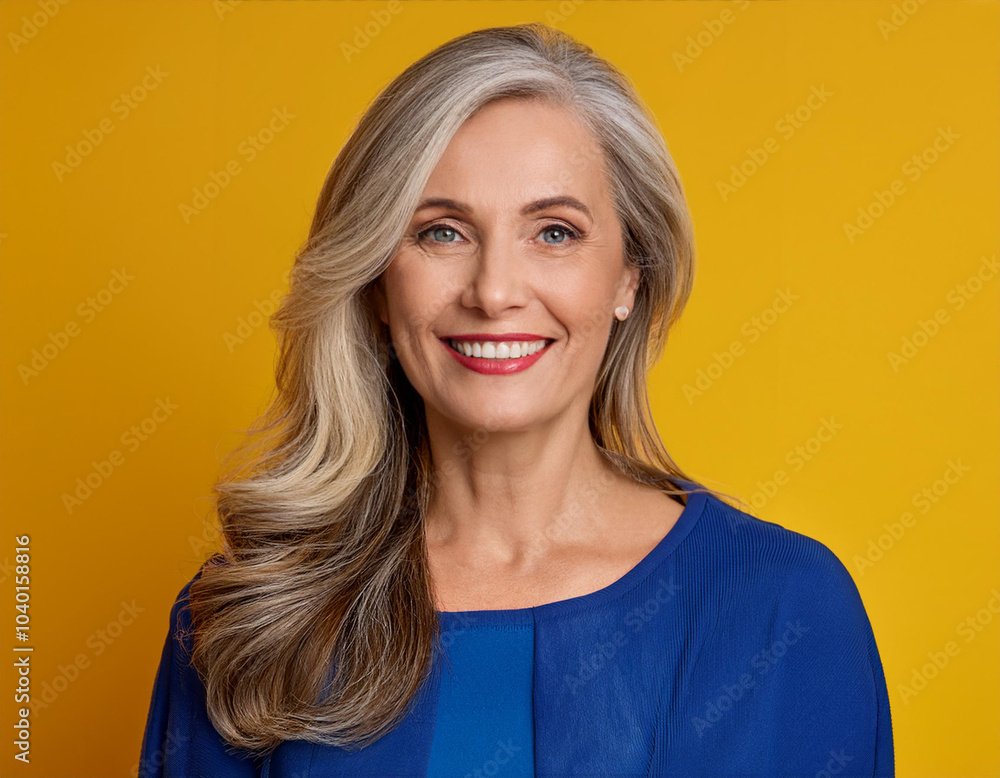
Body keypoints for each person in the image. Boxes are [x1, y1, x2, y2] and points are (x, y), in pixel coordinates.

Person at [138, 22, 894, 778]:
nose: (494, 291)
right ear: (375, 279)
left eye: (555, 232)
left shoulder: (785, 608)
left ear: (630, 274)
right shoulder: (252, 616)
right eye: (441, 233)